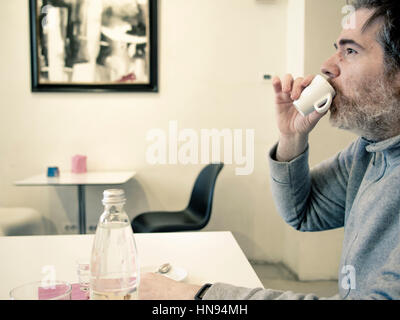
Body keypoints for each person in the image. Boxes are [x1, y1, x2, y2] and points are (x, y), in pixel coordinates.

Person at [139, 0, 400, 300]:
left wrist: (197, 299)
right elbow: (303, 211)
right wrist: (291, 136)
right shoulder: (368, 152)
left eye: (350, 51)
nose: (327, 66)